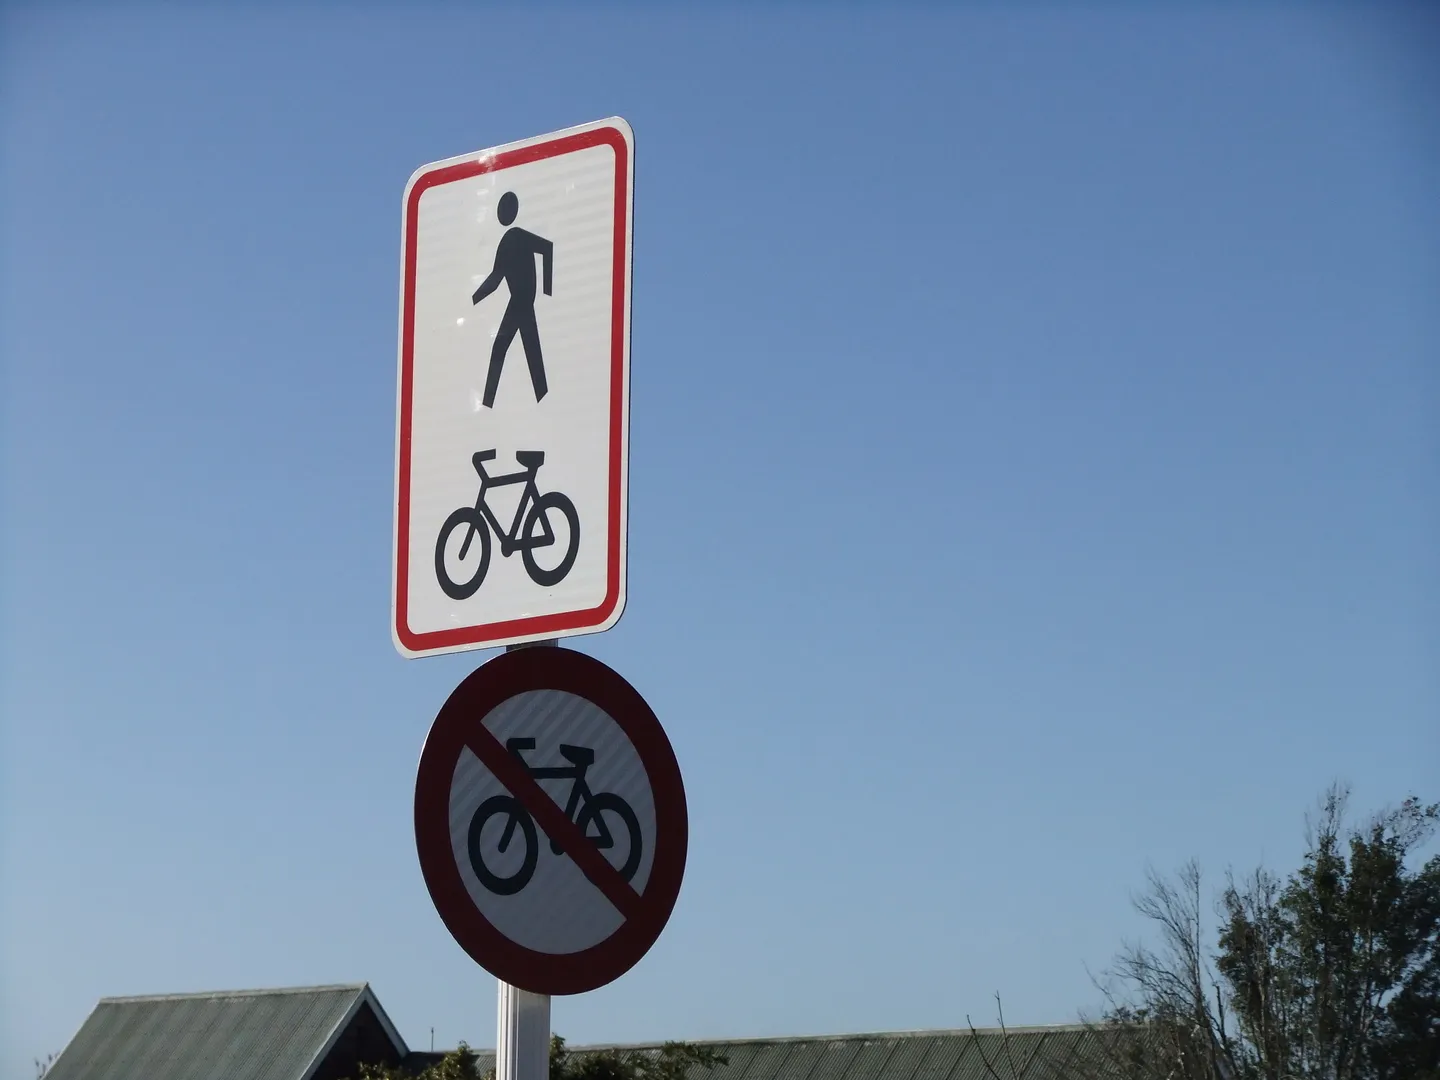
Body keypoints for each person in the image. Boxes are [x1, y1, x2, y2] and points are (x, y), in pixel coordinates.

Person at [471, 191, 554, 408]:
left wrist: (547, 290)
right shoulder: (505, 243)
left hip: (522, 300)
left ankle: (488, 403)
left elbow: (547, 248)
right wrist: (472, 300)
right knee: (529, 349)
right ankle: (542, 396)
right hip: (519, 301)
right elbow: (495, 279)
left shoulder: (517, 235)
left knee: (504, 347)